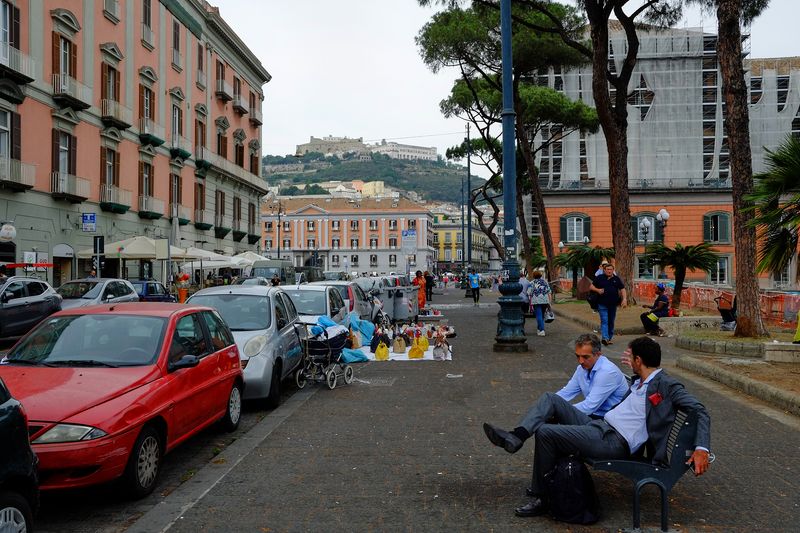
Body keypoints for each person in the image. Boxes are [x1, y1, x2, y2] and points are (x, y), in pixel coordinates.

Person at [506, 336, 711, 518]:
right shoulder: (640, 380)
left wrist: (701, 448)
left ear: (639, 361)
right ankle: (517, 437)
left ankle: (542, 497)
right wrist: (634, 373)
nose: (628, 361)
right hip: (600, 426)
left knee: (546, 433)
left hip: (613, 441)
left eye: (632, 358)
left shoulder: (667, 385)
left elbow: (700, 410)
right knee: (551, 399)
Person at [483, 333, 629, 454]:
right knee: (546, 412)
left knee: (549, 406)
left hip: (604, 426)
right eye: (577, 356)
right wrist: (546, 410)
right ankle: (517, 439)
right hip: (592, 418)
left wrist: (556, 412)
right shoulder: (582, 369)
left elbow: (590, 406)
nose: (580, 361)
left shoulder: (607, 372)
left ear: (598, 354)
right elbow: (565, 393)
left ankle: (517, 437)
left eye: (585, 357)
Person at [589, 263, 627, 345]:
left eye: (611, 269)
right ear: (604, 270)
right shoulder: (599, 278)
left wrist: (624, 299)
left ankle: (609, 338)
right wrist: (598, 290)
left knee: (611, 321)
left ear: (613, 270)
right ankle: (605, 338)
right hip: (602, 304)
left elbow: (622, 289)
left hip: (613, 304)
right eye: (607, 269)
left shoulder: (616, 279)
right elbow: (591, 287)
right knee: (604, 321)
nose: (609, 271)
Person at [529, 271, 552, 336]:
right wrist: (549, 302)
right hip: (545, 300)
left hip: (536, 301)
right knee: (542, 315)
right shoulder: (545, 282)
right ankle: (539, 329)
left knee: (538, 315)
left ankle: (542, 330)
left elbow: (529, 293)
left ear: (534, 276)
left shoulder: (532, 283)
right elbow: (549, 292)